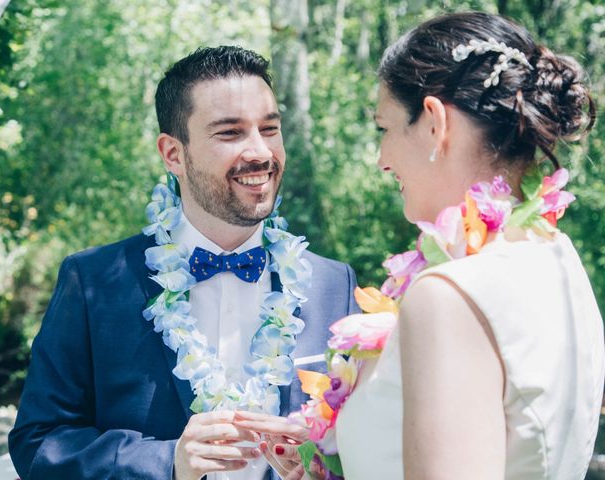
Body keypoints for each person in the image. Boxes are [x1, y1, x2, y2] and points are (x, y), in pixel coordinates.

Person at [237, 11, 605, 480]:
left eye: (384, 129)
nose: (382, 160)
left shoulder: (449, 295)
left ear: (434, 123)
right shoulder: (555, 256)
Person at [8, 46, 359, 480]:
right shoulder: (93, 282)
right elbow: (38, 443)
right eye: (230, 133)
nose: (261, 152)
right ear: (173, 154)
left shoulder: (334, 285)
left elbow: (370, 440)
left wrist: (323, 462)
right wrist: (168, 462)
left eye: (269, 129)